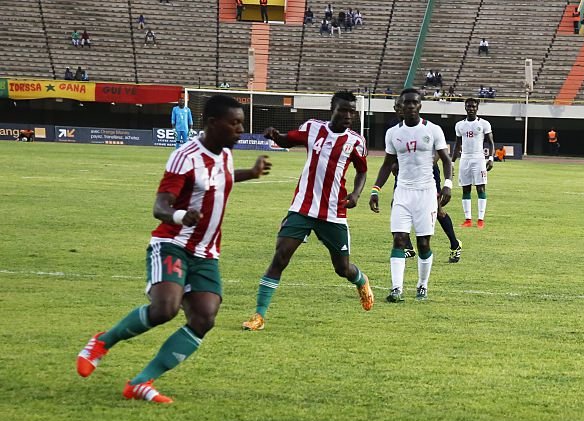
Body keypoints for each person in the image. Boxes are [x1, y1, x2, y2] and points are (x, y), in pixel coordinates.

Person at [76, 95, 271, 403]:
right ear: (211, 124)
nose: (240, 130)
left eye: (241, 124)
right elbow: (160, 206)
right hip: (172, 243)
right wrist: (181, 215)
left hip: (206, 252)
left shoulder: (225, 154)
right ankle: (101, 342)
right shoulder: (185, 156)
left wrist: (252, 172)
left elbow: (222, 179)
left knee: (204, 318)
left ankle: (141, 382)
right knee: (165, 308)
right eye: (234, 124)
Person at [241, 91, 374, 331]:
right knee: (280, 257)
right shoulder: (313, 128)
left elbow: (362, 170)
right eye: (343, 110)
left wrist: (355, 194)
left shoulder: (356, 141)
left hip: (333, 212)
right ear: (332, 108)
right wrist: (275, 136)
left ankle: (361, 280)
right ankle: (258, 316)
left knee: (342, 268)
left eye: (351, 112)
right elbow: (286, 140)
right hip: (302, 206)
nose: (347, 116)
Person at [368, 88, 454, 303]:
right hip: (402, 193)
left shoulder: (433, 130)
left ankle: (422, 286)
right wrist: (375, 190)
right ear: (400, 107)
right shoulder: (393, 133)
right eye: (406, 103)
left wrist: (447, 185)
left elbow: (446, 159)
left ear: (420, 106)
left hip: (426, 193)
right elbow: (387, 164)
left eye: (414, 103)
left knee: (423, 243)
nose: (410, 106)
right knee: (399, 239)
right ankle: (396, 289)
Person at [453, 97, 495, 230]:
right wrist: (452, 162)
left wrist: (491, 158)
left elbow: (491, 142)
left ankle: (480, 220)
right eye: (468, 106)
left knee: (480, 188)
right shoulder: (460, 125)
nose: (471, 108)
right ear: (465, 107)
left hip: (478, 158)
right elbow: (457, 144)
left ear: (477, 108)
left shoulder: (484, 124)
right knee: (465, 188)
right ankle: (468, 220)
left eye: (473, 106)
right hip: (465, 158)